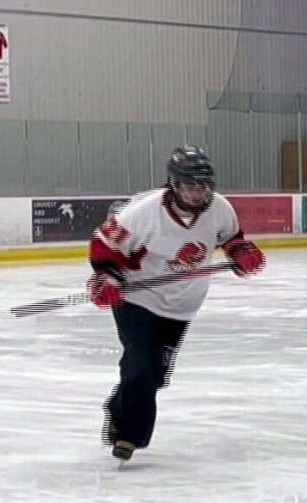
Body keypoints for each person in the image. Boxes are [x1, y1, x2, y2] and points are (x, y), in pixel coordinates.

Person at [87, 146, 266, 461]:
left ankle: (119, 407)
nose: (198, 194)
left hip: (183, 306)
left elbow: (231, 238)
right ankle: (129, 435)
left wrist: (241, 253)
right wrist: (106, 278)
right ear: (173, 184)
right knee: (140, 365)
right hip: (137, 299)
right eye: (190, 186)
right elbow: (104, 248)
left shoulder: (220, 208)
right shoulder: (143, 212)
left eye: (203, 187)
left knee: (155, 376)